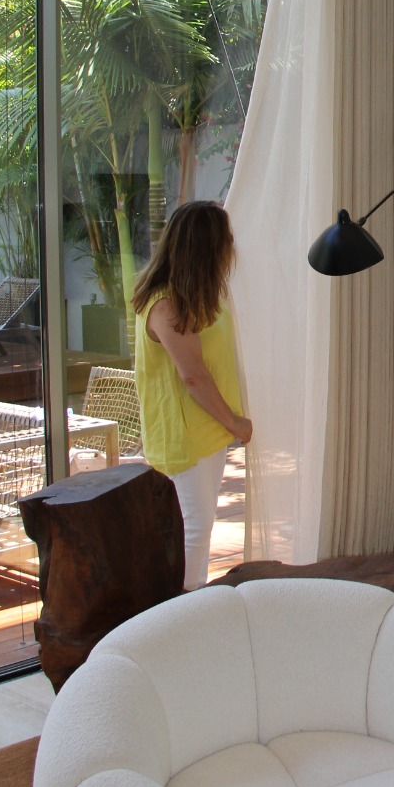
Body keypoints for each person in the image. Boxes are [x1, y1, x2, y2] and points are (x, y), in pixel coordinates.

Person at [132, 200, 252, 590]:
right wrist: (235, 422)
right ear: (207, 248)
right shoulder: (165, 306)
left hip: (206, 432)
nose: (231, 246)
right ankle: (183, 613)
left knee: (198, 528)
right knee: (193, 532)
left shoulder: (196, 298)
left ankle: (190, 607)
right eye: (226, 239)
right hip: (185, 438)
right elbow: (193, 377)